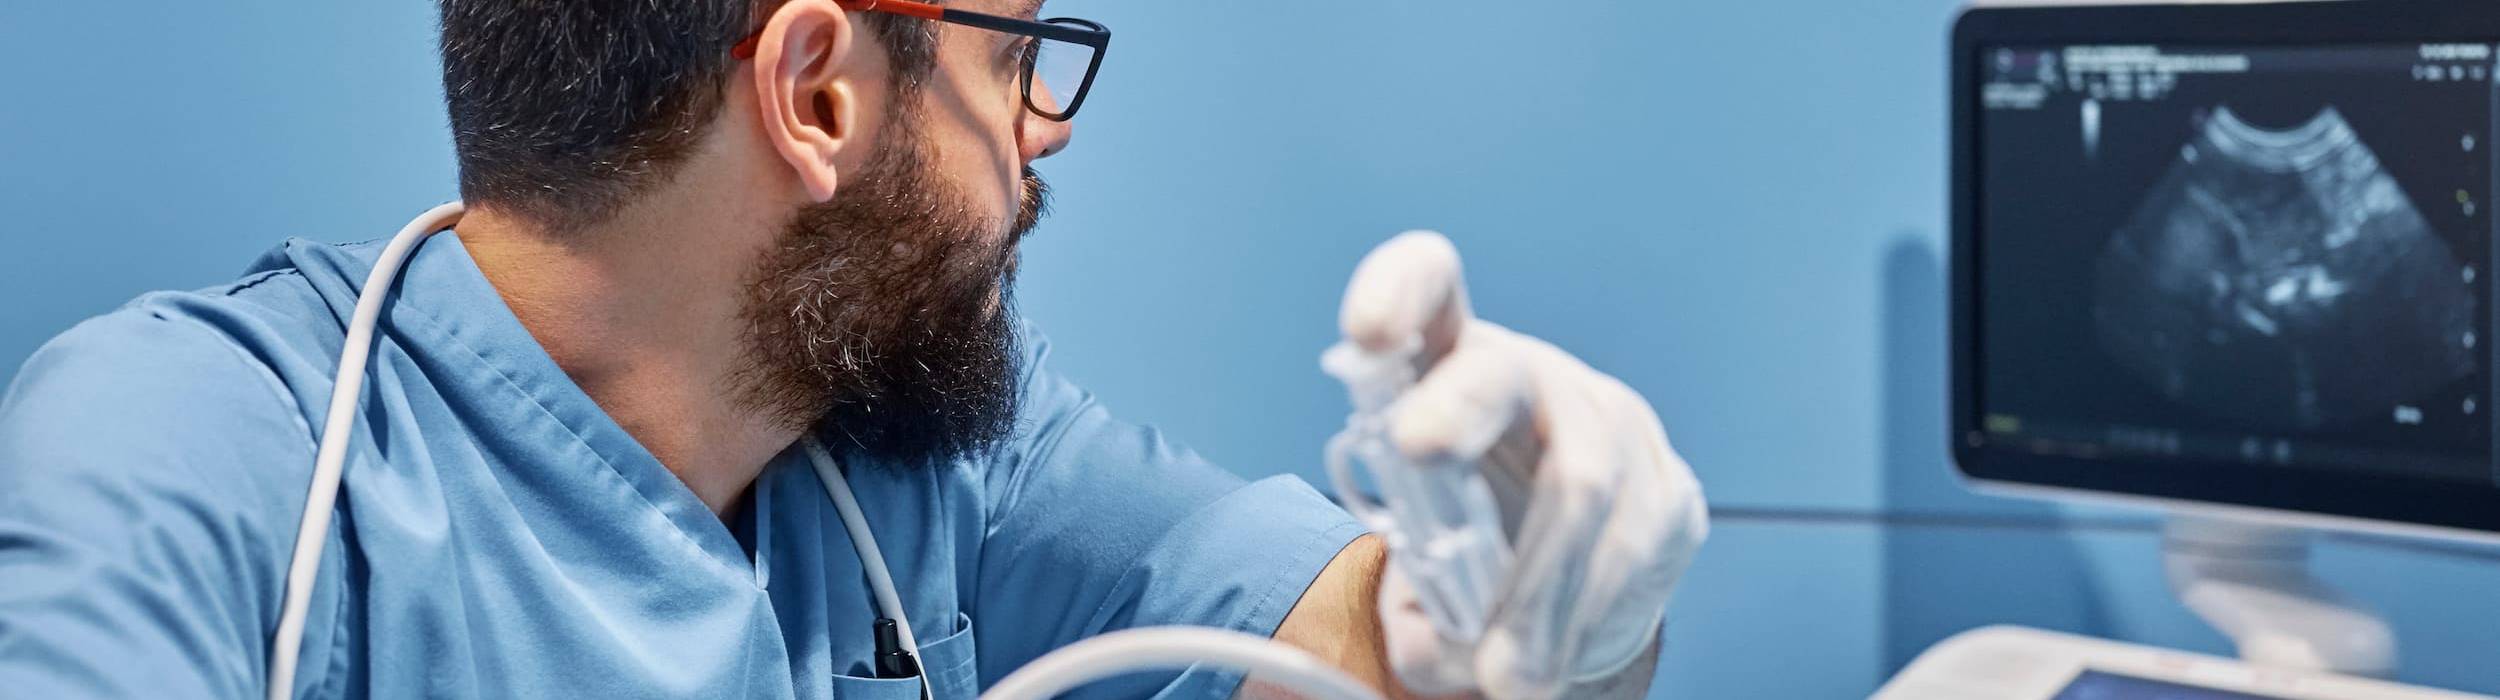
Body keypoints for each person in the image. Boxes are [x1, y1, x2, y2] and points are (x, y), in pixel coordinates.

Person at [0, 0, 1707, 698]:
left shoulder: (934, 454)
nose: (1045, 130)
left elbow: (1351, 649)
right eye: (1019, 54)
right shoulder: (205, 461)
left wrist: (1538, 608)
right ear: (820, 90)